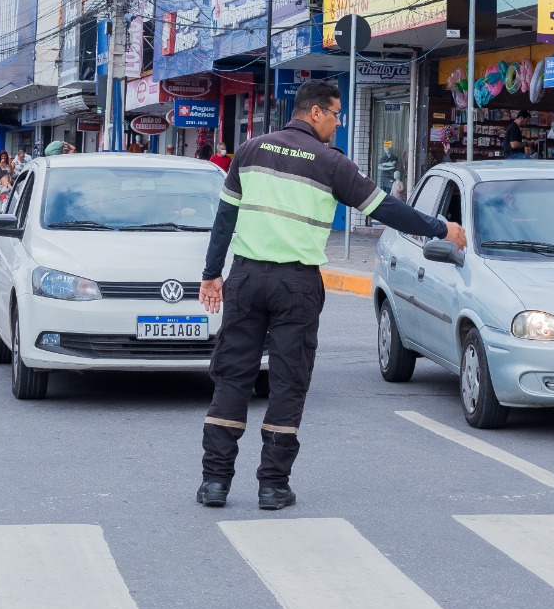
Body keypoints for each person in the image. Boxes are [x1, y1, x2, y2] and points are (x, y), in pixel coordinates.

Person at [195, 80, 467, 511]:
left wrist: (212, 275)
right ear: (315, 113)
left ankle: (214, 483)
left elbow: (224, 219)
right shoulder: (330, 164)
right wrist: (441, 227)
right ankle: (272, 486)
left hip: (245, 279)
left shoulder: (249, 151)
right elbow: (387, 210)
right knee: (288, 381)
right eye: (336, 114)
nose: (338, 124)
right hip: (296, 285)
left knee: (232, 377)